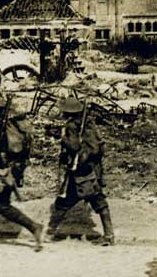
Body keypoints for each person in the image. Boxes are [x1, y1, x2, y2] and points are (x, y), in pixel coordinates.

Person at [0, 94, 43, 251]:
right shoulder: (10, 125)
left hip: (2, 169)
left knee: (2, 205)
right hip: (12, 168)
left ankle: (34, 227)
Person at [46, 98, 114, 246]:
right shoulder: (88, 125)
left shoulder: (72, 126)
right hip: (92, 169)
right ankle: (109, 235)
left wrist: (62, 138)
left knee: (65, 201)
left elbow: (74, 146)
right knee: (98, 200)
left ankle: (50, 232)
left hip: (81, 171)